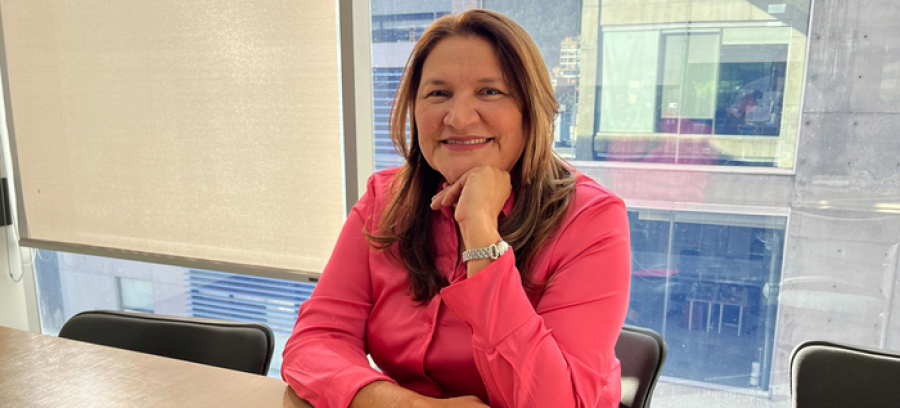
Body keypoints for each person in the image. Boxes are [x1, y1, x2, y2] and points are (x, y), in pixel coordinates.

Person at [282, 9, 631, 408]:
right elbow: (314, 342)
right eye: (439, 94)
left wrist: (480, 230)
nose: (460, 119)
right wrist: (409, 405)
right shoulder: (385, 200)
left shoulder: (591, 219)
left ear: (531, 109)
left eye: (490, 92)